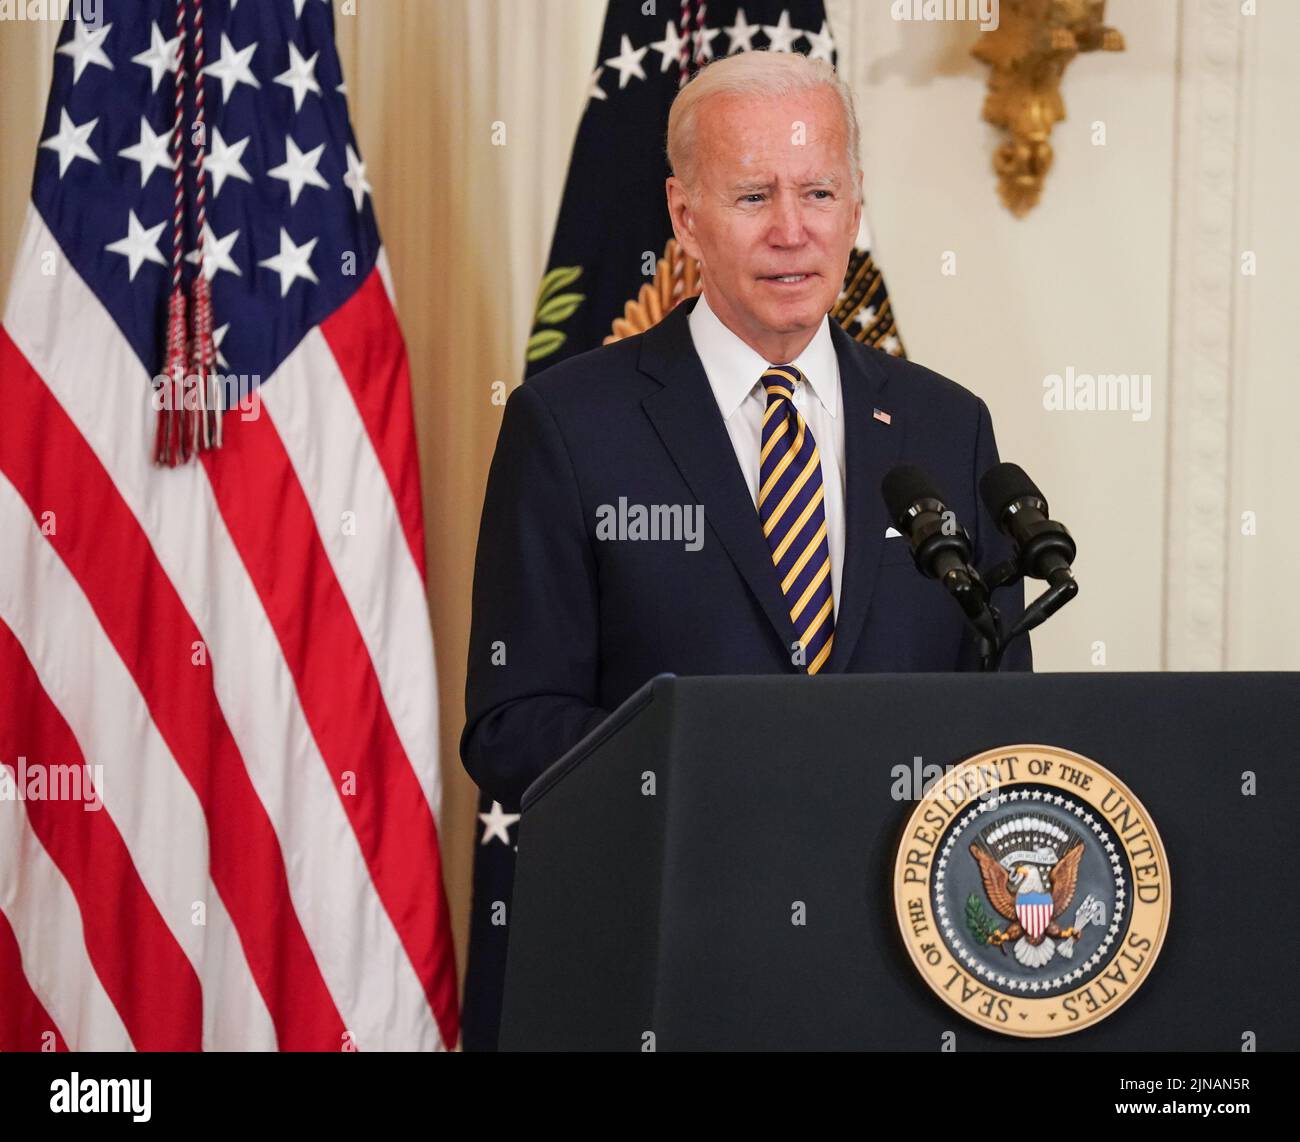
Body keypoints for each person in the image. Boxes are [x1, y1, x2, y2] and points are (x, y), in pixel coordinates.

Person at [461, 49, 1029, 809]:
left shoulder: (947, 427)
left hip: (896, 913)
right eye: (754, 196)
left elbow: (1006, 711)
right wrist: (715, 769)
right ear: (685, 217)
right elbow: (513, 723)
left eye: (819, 192)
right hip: (674, 906)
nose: (791, 231)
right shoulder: (569, 424)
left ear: (855, 211)